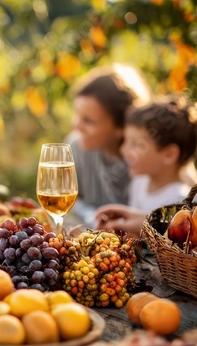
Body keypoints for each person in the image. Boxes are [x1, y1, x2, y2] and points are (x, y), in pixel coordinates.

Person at [95, 95, 197, 236]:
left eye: (136, 144)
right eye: (126, 141)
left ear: (169, 154)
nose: (123, 150)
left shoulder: (180, 200)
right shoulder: (140, 182)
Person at [67, 63, 151, 227]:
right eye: (77, 115)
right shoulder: (75, 147)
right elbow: (71, 202)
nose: (77, 126)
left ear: (121, 127)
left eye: (88, 121)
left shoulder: (146, 159)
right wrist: (94, 218)